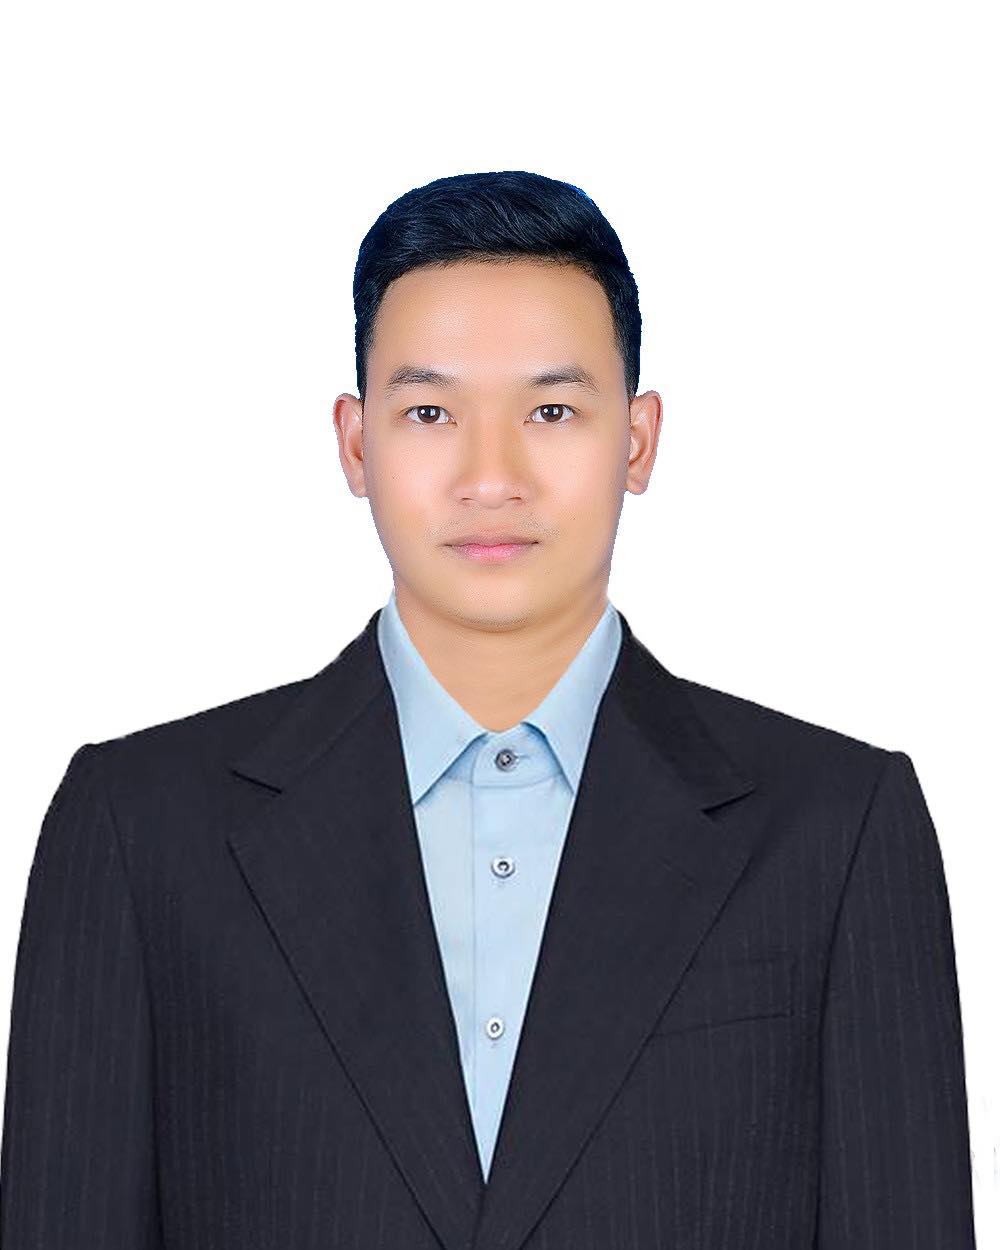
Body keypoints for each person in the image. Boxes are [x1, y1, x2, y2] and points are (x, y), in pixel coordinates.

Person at [0, 170, 977, 1248]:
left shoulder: (836, 828)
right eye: (430, 412)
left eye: (551, 411)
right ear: (356, 442)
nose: (490, 476)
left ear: (638, 440)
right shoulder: (140, 829)